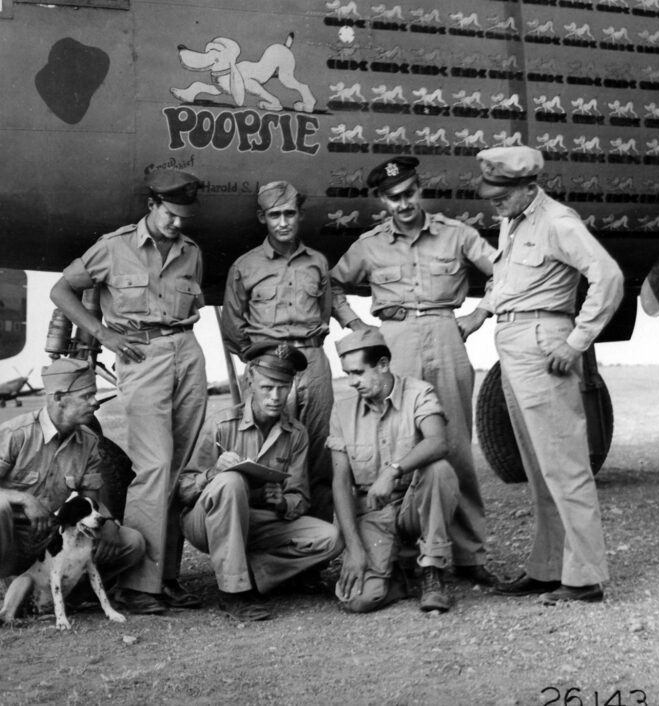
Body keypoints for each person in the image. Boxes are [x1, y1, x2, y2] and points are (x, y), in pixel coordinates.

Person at [330, 156, 497, 586]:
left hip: (446, 332)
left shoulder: (455, 234)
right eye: (392, 198)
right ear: (381, 201)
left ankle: (467, 555)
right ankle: (407, 552)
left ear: (420, 189)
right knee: (398, 441)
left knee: (454, 442)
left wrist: (480, 314)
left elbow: (506, 270)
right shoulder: (369, 245)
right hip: (395, 339)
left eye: (409, 194)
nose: (403, 204)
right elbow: (331, 285)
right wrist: (356, 324)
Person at [50, 168, 208, 614]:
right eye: (170, 215)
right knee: (154, 466)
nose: (177, 224)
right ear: (153, 206)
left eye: (183, 217)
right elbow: (62, 290)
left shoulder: (190, 252)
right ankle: (138, 585)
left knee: (179, 467)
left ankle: (167, 578)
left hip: (187, 352)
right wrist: (102, 333)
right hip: (141, 355)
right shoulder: (114, 247)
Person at [476, 146, 624, 604]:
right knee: (539, 468)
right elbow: (505, 282)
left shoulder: (559, 221)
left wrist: (577, 341)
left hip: (545, 344)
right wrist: (480, 312)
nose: (493, 202)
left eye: (501, 194)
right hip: (515, 341)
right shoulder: (514, 220)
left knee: (565, 464)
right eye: (491, 193)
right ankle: (547, 567)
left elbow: (608, 277)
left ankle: (584, 579)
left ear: (526, 187)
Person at [0, 358, 146, 636]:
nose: (96, 402)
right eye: (87, 396)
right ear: (59, 398)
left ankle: (73, 594)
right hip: (10, 543)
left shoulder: (89, 443)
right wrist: (23, 500)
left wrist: (110, 524)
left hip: (52, 542)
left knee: (133, 543)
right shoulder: (16, 434)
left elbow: (90, 500)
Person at [177, 342, 343, 622]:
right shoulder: (221, 424)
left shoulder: (296, 434)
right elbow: (182, 490)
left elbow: (300, 497)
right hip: (207, 523)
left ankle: (248, 573)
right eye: (267, 387)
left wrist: (283, 503)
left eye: (283, 387)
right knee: (231, 482)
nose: (276, 397)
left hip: (260, 522)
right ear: (249, 381)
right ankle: (233, 594)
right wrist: (213, 473)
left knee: (331, 539)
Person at [221, 180, 334, 520]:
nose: (283, 222)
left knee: (318, 453)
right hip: (267, 367)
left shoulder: (317, 262)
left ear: (300, 216)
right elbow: (232, 325)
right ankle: (269, 546)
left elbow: (324, 312)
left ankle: (314, 550)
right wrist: (259, 362)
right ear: (262, 217)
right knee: (264, 453)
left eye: (289, 214)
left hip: (311, 362)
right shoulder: (245, 265)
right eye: (275, 215)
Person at [328, 328, 461, 613]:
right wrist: (354, 549)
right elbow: (340, 483)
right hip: (374, 512)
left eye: (358, 373)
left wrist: (392, 471)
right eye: (347, 373)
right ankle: (399, 576)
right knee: (357, 600)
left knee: (438, 469)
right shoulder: (341, 411)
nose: (352, 382)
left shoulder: (419, 393)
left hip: (415, 503)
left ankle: (432, 571)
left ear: (383, 365)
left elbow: (438, 442)